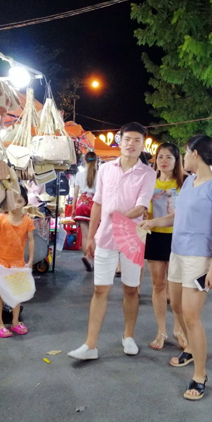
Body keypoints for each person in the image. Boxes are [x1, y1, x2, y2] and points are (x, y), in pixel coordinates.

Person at [141, 135, 212, 401]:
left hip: (198, 258)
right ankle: (191, 349)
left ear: (195, 153)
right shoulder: (190, 182)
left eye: (185, 152)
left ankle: (200, 375)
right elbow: (177, 215)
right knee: (177, 306)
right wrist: (153, 222)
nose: (183, 156)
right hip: (177, 252)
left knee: (192, 317)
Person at [68, 122, 157, 360]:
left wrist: (119, 218)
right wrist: (91, 235)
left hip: (131, 237)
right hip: (105, 236)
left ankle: (128, 336)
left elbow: (141, 206)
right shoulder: (106, 169)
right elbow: (97, 203)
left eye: (137, 140)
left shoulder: (148, 173)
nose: (131, 144)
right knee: (100, 289)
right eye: (127, 139)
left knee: (131, 289)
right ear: (119, 140)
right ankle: (90, 345)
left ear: (142, 144)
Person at [143, 143, 186, 351]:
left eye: (169, 157)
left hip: (178, 239)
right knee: (158, 285)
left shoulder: (185, 182)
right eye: (160, 156)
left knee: (177, 287)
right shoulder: (149, 182)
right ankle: (161, 329)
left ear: (177, 160)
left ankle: (179, 327)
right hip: (154, 237)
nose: (164, 161)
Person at [0, 185, 35, 338]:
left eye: (20, 201)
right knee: (1, 294)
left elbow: (31, 240)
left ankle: (15, 322)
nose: (16, 205)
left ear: (25, 202)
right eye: (13, 201)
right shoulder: (0, 218)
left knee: (17, 294)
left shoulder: (27, 220)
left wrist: (31, 260)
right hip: (1, 262)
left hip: (18, 263)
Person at [73, 151, 99, 272]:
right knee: (94, 235)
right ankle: (95, 259)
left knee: (85, 236)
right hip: (95, 204)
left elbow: (75, 193)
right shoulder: (99, 174)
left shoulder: (79, 174)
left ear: (84, 160)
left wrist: (73, 208)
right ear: (96, 161)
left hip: (82, 203)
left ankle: (87, 257)